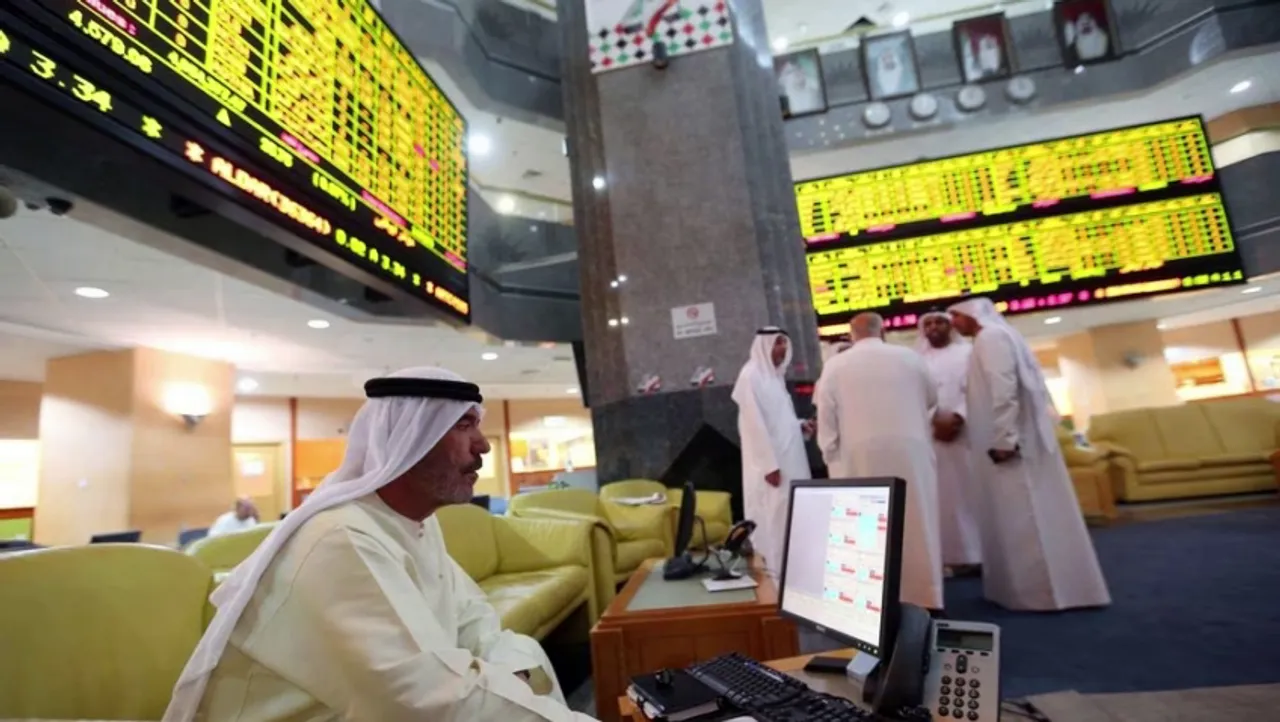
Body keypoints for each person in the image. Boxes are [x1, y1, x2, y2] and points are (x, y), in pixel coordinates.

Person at [164, 367, 594, 722]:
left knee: (525, 654)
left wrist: (513, 676)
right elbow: (423, 701)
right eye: (463, 426)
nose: (482, 445)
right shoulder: (341, 539)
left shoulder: (411, 524)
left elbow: (474, 622)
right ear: (408, 443)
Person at [948, 298, 1111, 611]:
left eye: (956, 316)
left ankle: (1039, 595)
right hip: (1009, 444)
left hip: (1011, 449)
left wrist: (1005, 440)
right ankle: (1029, 592)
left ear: (971, 315)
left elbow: (1003, 389)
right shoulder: (994, 336)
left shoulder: (991, 337)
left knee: (1026, 519)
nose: (954, 323)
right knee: (1020, 517)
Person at [815, 313, 945, 612]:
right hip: (911, 451)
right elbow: (930, 398)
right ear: (883, 330)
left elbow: (827, 418)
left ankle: (870, 603)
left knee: (867, 528)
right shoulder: (910, 358)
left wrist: (831, 456)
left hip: (858, 457)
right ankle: (926, 597)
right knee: (917, 521)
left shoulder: (836, 365)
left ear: (851, 334)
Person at [732, 327, 814, 579]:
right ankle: (777, 579)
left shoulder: (774, 377)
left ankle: (799, 573)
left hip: (791, 459)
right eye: (777, 343)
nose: (782, 349)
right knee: (775, 517)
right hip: (773, 467)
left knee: (794, 513)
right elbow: (753, 426)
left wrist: (800, 425)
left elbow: (778, 420)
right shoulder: (750, 376)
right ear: (764, 346)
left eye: (784, 344)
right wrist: (769, 466)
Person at [915, 312, 983, 574]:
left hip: (965, 432)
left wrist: (958, 416)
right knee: (942, 498)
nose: (934, 327)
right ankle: (951, 557)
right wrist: (934, 419)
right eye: (928, 323)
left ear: (949, 326)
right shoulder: (917, 361)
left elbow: (977, 389)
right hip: (932, 436)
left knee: (971, 494)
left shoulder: (967, 354)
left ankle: (979, 555)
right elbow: (916, 396)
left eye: (939, 322)